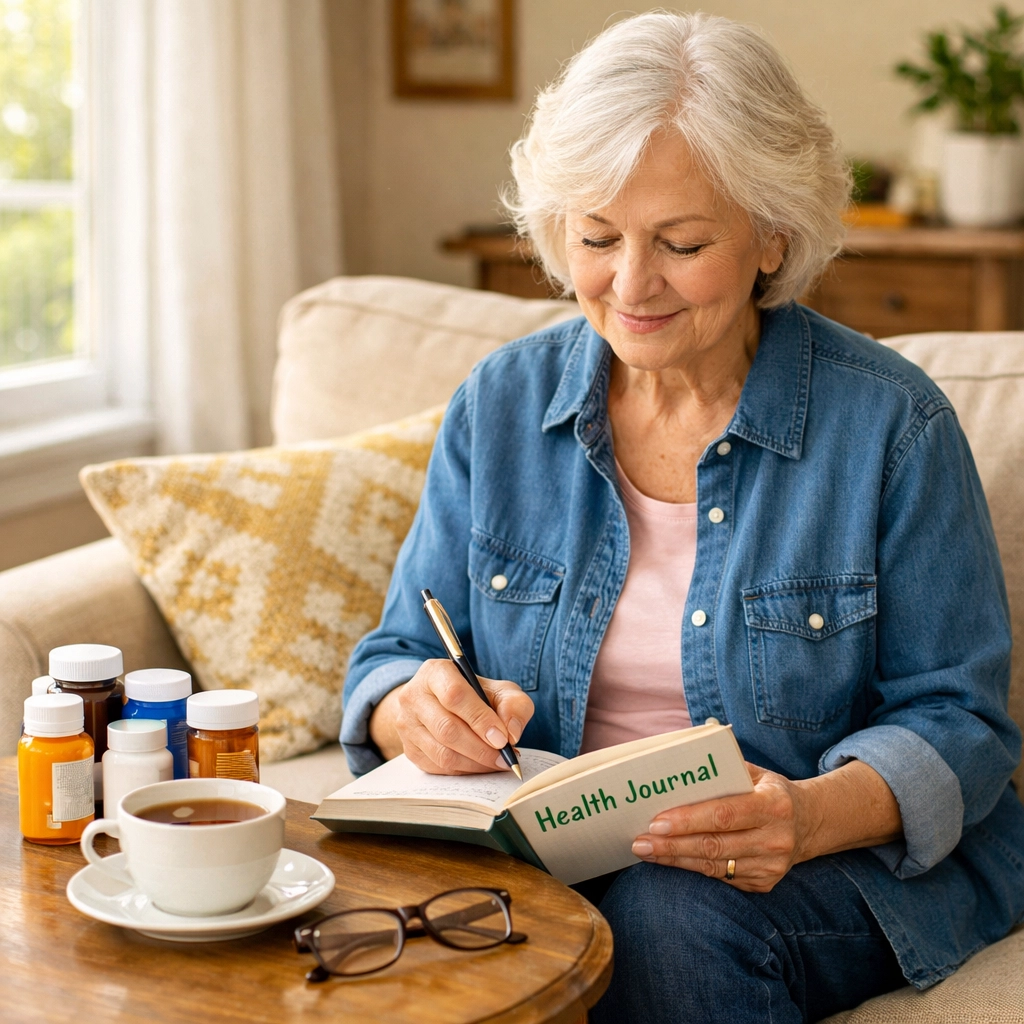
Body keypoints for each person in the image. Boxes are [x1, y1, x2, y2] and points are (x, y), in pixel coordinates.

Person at [341, 12, 1024, 1023]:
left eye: (682, 242)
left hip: (828, 865)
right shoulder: (498, 406)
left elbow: (960, 724)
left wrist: (802, 814)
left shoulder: (890, 425)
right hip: (555, 851)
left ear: (771, 234)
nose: (631, 284)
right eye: (598, 237)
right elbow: (395, 654)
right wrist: (417, 708)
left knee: (667, 916)